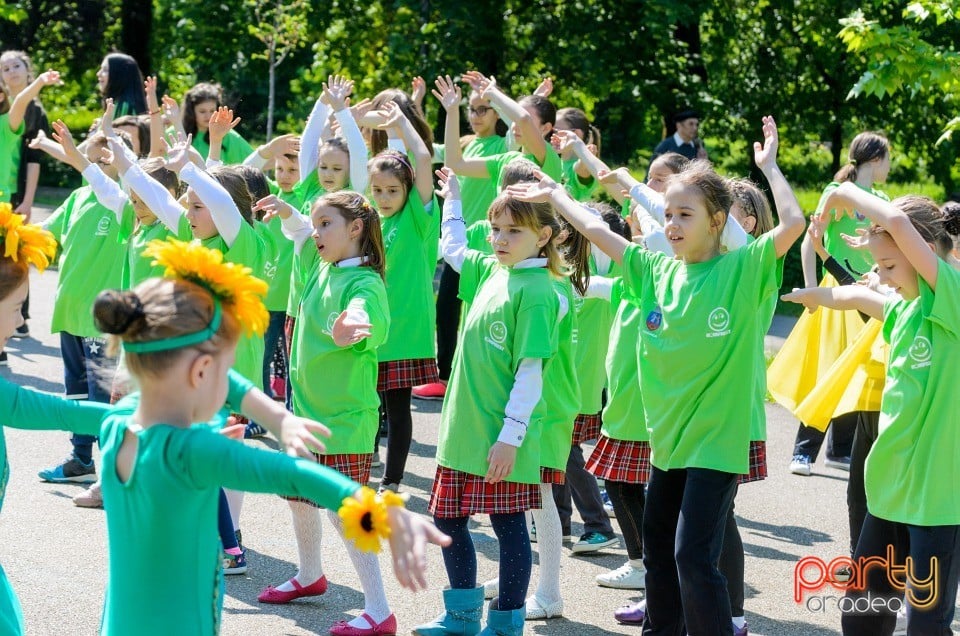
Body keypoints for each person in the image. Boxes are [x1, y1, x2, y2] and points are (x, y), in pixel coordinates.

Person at [508, 115, 805, 635]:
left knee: (692, 555)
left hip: (716, 441)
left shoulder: (741, 270)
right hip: (665, 443)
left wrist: (770, 168)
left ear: (717, 222)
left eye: (684, 214)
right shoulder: (656, 269)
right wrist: (556, 193)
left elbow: (794, 225)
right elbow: (599, 230)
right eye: (667, 213)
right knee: (660, 551)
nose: (670, 224)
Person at [89, 237, 448, 635]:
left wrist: (279, 419)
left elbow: (32, 406)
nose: (232, 382)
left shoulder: (117, 422)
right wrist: (381, 513)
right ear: (201, 372)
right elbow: (295, 474)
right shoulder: (194, 451)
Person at [782, 189, 960, 636]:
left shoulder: (953, 299)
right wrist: (817, 296)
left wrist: (845, 192)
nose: (883, 277)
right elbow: (860, 300)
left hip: (938, 499)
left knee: (926, 622)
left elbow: (899, 226)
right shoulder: (904, 309)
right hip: (889, 489)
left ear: (926, 250)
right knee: (862, 615)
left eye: (891, 266)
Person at [413, 171, 564, 636]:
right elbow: (454, 248)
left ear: (543, 236)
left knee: (508, 524)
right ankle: (461, 618)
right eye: (496, 228)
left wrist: (510, 437)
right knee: (447, 517)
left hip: (500, 438)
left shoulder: (538, 292)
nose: (500, 238)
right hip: (462, 431)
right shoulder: (494, 270)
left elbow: (530, 374)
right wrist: (454, 200)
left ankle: (504, 625)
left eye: (513, 231)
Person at [768, 131, 891, 476]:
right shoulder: (837, 195)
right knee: (829, 368)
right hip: (835, 290)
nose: (890, 165)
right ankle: (803, 452)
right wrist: (810, 289)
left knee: (860, 368)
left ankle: (839, 450)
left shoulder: (879, 197)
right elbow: (811, 242)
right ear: (876, 158)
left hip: (869, 292)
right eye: (889, 158)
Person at [413, 73, 508, 402]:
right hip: (458, 239)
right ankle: (443, 375)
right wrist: (416, 104)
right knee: (447, 307)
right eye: (474, 109)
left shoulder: (504, 147)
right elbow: (426, 147)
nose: (477, 115)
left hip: (490, 241)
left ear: (497, 114)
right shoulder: (466, 144)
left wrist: (496, 95)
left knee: (480, 311)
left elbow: (524, 127)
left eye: (484, 109)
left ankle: (474, 375)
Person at [0, 59, 55, 364]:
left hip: (2, 208)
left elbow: (20, 100)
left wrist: (39, 83)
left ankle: (6, 334)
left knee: (5, 270)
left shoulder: (8, 126)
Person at [181, 82, 254, 164]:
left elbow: (255, 161)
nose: (208, 116)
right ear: (191, 111)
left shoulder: (227, 135)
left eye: (212, 111)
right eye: (202, 111)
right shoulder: (177, 132)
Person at [96, 52, 146, 117]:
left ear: (118, 75)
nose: (98, 73)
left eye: (105, 70)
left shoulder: (124, 107)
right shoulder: (120, 104)